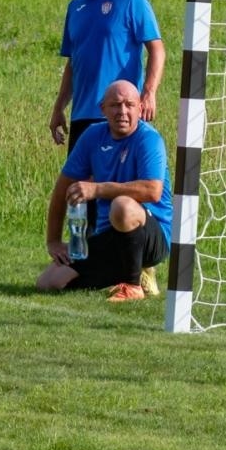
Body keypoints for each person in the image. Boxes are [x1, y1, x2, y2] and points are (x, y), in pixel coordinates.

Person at [37, 80, 171, 302]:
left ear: (140, 108)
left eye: (129, 104)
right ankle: (129, 272)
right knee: (48, 283)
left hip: (151, 236)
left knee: (123, 205)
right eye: (115, 105)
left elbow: (152, 191)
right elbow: (63, 188)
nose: (123, 111)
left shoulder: (149, 139)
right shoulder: (92, 136)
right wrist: (53, 240)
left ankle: (133, 284)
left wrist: (98, 189)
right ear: (103, 109)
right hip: (108, 234)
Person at [49, 0, 165, 150]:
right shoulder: (75, 6)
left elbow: (156, 48)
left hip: (118, 115)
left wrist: (149, 93)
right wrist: (58, 109)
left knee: (114, 183)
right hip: (81, 117)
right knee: (78, 184)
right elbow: (73, 64)